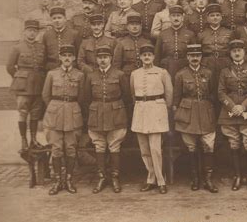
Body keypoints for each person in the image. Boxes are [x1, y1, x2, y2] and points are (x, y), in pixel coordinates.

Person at [84, 45, 130, 194]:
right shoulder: (91, 76)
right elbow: (85, 98)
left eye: (105, 57)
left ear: (110, 58)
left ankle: (115, 177)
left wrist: (120, 111)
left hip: (116, 114)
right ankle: (102, 177)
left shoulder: (119, 74)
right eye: (100, 58)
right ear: (96, 60)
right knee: (99, 145)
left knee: (115, 145)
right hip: (96, 114)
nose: (102, 60)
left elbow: (127, 97)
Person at [173, 44, 218, 193]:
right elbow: (176, 99)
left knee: (208, 145)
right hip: (187, 112)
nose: (194, 58)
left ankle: (208, 179)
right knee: (191, 146)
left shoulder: (208, 73)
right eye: (192, 56)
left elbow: (213, 94)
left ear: (201, 57)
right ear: (187, 57)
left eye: (197, 55)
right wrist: (178, 115)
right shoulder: (180, 74)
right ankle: (195, 178)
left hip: (205, 111)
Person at [218, 39, 247, 191]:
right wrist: (232, 106)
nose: (237, 53)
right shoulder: (224, 71)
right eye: (234, 51)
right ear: (230, 54)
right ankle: (237, 176)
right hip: (230, 112)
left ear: (244, 52)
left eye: (240, 50)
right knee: (234, 143)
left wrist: (243, 106)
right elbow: (221, 92)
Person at [42, 44, 85, 195]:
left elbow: (82, 97)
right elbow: (46, 95)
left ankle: (68, 179)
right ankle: (57, 181)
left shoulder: (79, 75)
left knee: (71, 148)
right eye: (64, 56)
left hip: (73, 114)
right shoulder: (52, 74)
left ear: (74, 58)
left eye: (70, 56)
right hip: (55, 114)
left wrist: (72, 108)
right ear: (60, 57)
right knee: (57, 149)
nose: (67, 58)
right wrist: (56, 108)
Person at [130, 43, 173, 194]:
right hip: (140, 110)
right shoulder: (135, 74)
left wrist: (164, 112)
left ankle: (161, 181)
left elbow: (169, 94)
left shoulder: (162, 72)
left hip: (157, 110)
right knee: (144, 149)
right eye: (144, 55)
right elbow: (132, 95)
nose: (147, 57)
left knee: (156, 149)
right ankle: (151, 179)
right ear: (140, 57)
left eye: (149, 55)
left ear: (153, 57)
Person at [6, 20, 46, 152]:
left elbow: (43, 65)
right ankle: (23, 140)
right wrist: (20, 78)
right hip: (23, 88)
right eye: (30, 30)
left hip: (38, 85)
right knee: (23, 113)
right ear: (25, 32)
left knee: (35, 114)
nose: (32, 33)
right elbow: (10, 67)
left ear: (37, 32)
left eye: (35, 31)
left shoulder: (41, 47)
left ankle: (33, 140)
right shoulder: (17, 47)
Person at [154, 5, 196, 83]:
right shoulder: (162, 34)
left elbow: (194, 54)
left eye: (178, 16)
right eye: (173, 16)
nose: (176, 18)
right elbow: (157, 55)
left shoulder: (190, 34)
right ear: (169, 17)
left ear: (182, 17)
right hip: (167, 66)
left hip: (184, 66)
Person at [197, 3, 233, 89]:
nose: (215, 17)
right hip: (208, 63)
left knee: (226, 85)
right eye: (212, 15)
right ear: (207, 18)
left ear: (221, 17)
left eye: (217, 15)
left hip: (225, 62)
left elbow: (233, 50)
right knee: (210, 86)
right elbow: (199, 52)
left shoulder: (229, 33)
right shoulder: (201, 34)